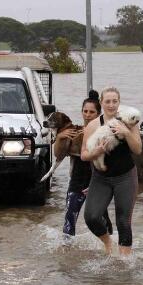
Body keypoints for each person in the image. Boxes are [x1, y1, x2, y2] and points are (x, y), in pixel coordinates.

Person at [81, 87, 141, 256]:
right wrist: (97, 152)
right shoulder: (93, 125)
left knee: (123, 221)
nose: (111, 104)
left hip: (125, 177)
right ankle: (108, 243)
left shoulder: (129, 120)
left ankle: (124, 262)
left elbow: (138, 150)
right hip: (101, 178)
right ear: (101, 103)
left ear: (119, 102)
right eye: (107, 101)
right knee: (91, 217)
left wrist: (126, 133)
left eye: (115, 101)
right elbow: (84, 155)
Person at [55, 90, 112, 236]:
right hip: (77, 181)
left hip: (98, 182)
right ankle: (67, 252)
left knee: (102, 220)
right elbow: (58, 155)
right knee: (69, 220)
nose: (87, 114)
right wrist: (60, 137)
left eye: (91, 112)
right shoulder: (75, 132)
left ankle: (111, 249)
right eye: (85, 111)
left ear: (98, 113)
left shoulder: (104, 132)